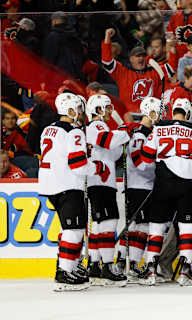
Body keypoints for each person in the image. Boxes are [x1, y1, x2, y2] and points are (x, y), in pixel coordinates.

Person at [140, 98, 192, 286]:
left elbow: (145, 158)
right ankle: (186, 270)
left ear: (173, 112)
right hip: (187, 185)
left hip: (163, 182)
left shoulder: (158, 128)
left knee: (157, 227)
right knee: (187, 227)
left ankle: (150, 268)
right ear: (188, 114)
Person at [37, 93, 99, 291]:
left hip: (50, 184)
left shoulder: (48, 129)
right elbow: (78, 164)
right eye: (79, 110)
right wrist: (96, 168)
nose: (81, 114)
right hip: (67, 184)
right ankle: (64, 272)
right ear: (71, 111)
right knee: (74, 230)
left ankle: (67, 266)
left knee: (67, 228)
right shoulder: (74, 132)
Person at [115, 97, 162, 285]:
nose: (160, 115)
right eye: (158, 111)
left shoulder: (147, 132)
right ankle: (129, 262)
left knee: (138, 227)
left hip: (143, 186)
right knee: (140, 227)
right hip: (140, 187)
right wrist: (161, 167)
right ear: (150, 112)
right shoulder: (141, 135)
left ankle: (126, 261)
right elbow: (140, 164)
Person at [85, 94, 130, 286]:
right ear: (98, 109)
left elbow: (113, 153)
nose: (110, 111)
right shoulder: (96, 126)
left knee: (99, 224)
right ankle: (106, 266)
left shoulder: (99, 128)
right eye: (107, 107)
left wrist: (121, 137)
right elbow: (109, 140)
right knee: (108, 223)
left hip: (101, 182)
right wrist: (124, 131)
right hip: (100, 182)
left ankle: (95, 264)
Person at [101, 28, 175, 118]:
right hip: (130, 116)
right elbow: (107, 61)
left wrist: (172, 48)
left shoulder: (154, 71)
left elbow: (171, 67)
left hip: (151, 116)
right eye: (137, 56)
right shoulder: (123, 72)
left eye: (143, 56)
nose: (141, 59)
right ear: (131, 59)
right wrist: (107, 37)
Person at [42, 12, 84, 82]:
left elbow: (49, 58)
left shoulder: (53, 36)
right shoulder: (74, 34)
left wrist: (44, 78)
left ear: (54, 21)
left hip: (58, 76)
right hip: (75, 75)